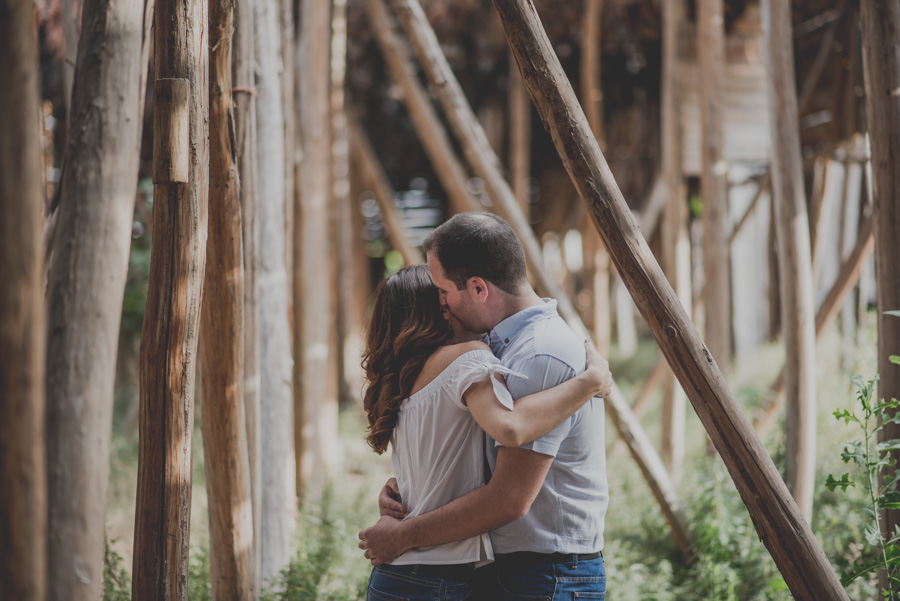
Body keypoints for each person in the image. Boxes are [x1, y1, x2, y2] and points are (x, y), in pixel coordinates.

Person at [359, 212, 612, 600]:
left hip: (546, 572)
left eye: (443, 292)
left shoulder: (541, 352)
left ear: (478, 288)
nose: (439, 304)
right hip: (508, 569)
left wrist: (403, 534)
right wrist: (410, 495)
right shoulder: (486, 349)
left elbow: (508, 497)